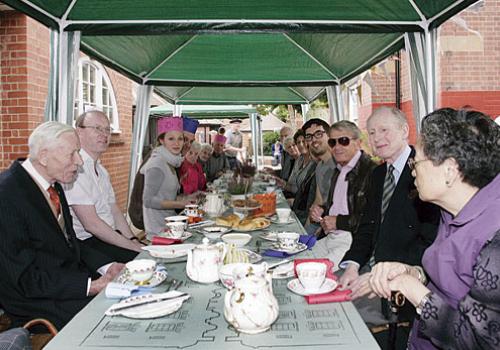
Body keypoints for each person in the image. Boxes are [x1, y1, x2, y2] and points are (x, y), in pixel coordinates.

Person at [369, 108, 500, 349]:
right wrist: (414, 272)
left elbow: (481, 342)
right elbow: (452, 276)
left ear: (449, 170)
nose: (412, 170)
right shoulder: (453, 208)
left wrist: (412, 288)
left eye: (416, 161)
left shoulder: (494, 237)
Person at [0, 121, 123, 329]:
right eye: (73, 153)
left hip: (64, 283)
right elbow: (23, 279)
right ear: (44, 156)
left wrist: (108, 266)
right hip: (35, 302)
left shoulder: (52, 184)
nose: (80, 161)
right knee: (118, 316)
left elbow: (69, 242)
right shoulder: (6, 195)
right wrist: (90, 286)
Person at [337, 107, 439, 343]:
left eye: (384, 130)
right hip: (368, 271)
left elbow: (429, 241)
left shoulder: (424, 172)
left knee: (344, 322)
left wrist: (382, 276)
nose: (377, 138)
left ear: (404, 131)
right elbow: (367, 227)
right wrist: (352, 265)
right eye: (371, 133)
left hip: (401, 285)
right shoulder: (378, 173)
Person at [64, 111, 141, 263]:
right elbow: (92, 225)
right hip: (88, 245)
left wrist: (133, 239)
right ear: (79, 132)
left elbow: (115, 211)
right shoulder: (75, 170)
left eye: (107, 129)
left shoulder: (102, 171)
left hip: (110, 236)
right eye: (97, 128)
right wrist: (133, 248)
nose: (104, 134)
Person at [309, 121, 377, 268]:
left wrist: (338, 222)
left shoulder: (372, 172)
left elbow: (372, 220)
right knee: (299, 260)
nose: (337, 147)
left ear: (358, 143)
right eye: (333, 142)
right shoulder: (339, 170)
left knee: (313, 270)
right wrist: (322, 209)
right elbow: (338, 205)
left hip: (352, 241)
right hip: (331, 236)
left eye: (344, 141)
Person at [141, 117, 194, 238]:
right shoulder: (157, 163)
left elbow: (165, 195)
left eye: (180, 139)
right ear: (162, 140)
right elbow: (148, 201)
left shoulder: (171, 161)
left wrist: (187, 198)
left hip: (171, 225)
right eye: (171, 139)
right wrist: (180, 205)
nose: (177, 143)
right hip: (159, 230)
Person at [303, 118, 336, 235]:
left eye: (318, 134)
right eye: (309, 137)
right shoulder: (319, 167)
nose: (314, 140)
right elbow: (317, 202)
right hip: (324, 228)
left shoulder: (341, 164)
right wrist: (305, 234)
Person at [283, 129, 316, 199]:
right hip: (295, 198)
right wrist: (282, 183)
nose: (301, 145)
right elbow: (291, 184)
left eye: (304, 141)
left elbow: (310, 192)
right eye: (298, 142)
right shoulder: (299, 160)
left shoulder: (315, 161)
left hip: (303, 203)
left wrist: (294, 201)